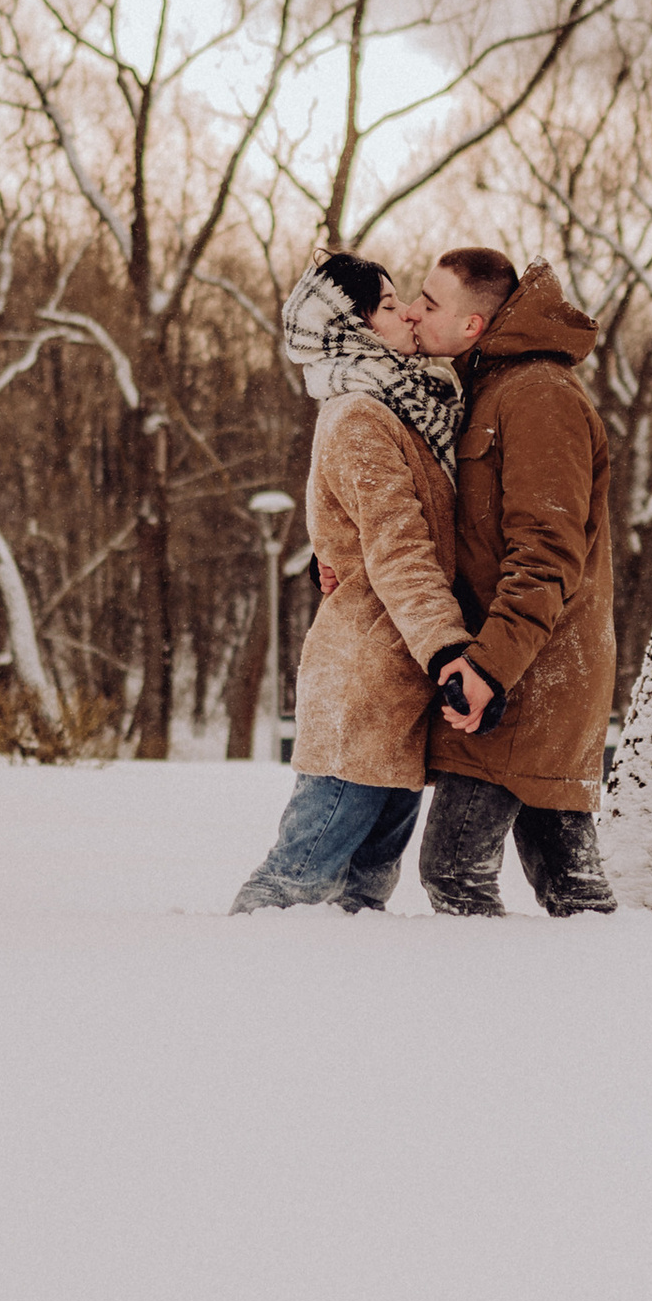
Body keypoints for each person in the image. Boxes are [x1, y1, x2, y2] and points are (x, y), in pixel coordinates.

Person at [230, 254, 478, 913]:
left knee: (363, 897)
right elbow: (400, 553)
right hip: (365, 685)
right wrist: (449, 649)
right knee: (295, 881)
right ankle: (228, 979)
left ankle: (343, 1012)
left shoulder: (406, 403)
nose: (405, 312)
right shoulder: (362, 415)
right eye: (388, 303)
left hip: (398, 682)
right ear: (353, 326)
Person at [404, 247, 620, 917]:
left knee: (452, 867)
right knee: (570, 886)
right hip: (528, 675)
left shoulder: (537, 397)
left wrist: (489, 668)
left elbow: (547, 554)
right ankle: (607, 1006)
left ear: (474, 325)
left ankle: (489, 1015)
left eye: (430, 302)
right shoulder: (494, 390)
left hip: (529, 678)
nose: (414, 311)